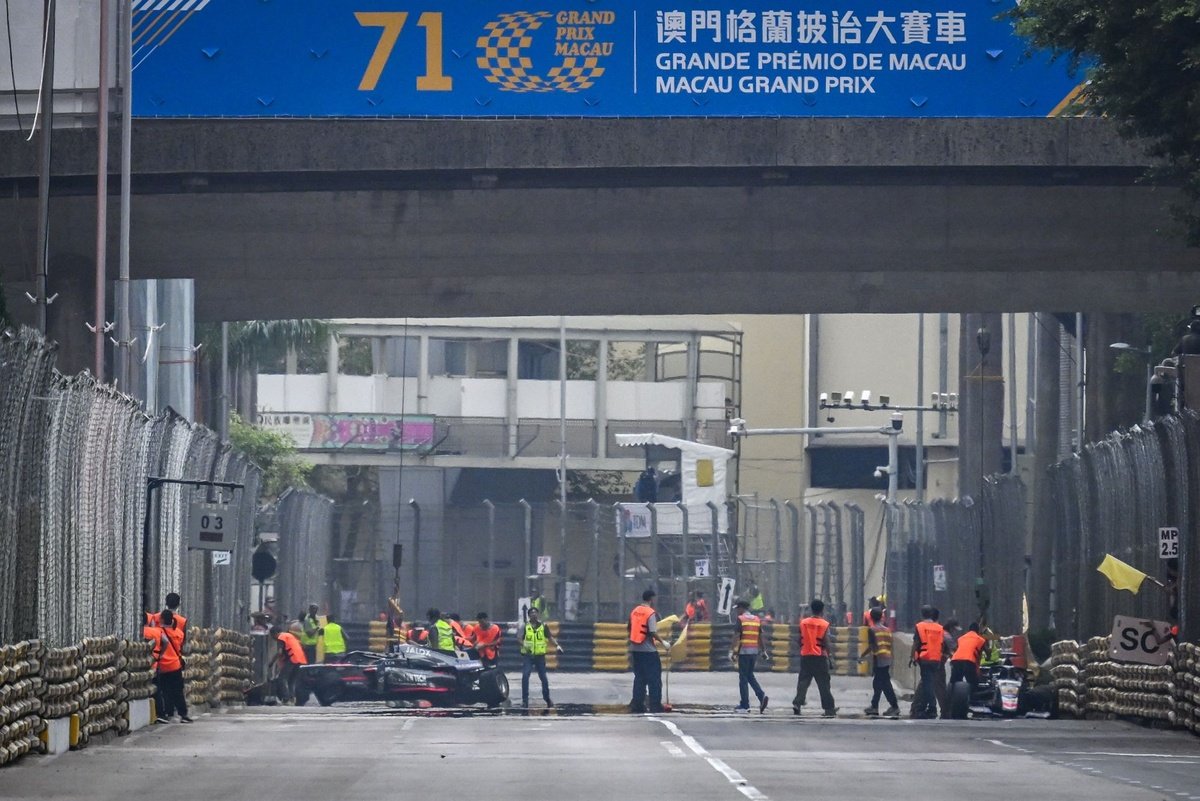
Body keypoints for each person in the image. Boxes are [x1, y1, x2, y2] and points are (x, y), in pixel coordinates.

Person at [628, 589, 671, 713]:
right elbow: (652, 632)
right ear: (651, 599)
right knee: (654, 678)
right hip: (648, 651)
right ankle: (655, 705)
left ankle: (637, 704)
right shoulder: (650, 613)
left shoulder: (635, 611)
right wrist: (663, 642)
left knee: (639, 677)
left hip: (635, 649)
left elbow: (629, 628)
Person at [793, 598, 837, 717]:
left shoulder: (803, 623)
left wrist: (803, 648)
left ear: (811, 609)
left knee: (803, 681)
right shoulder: (824, 624)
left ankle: (797, 703)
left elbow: (799, 639)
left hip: (806, 656)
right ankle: (829, 708)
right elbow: (826, 642)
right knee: (823, 684)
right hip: (819, 657)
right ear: (822, 610)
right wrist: (830, 656)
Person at [731, 599, 769, 713]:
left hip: (744, 652)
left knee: (743, 678)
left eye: (737, 609)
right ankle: (761, 696)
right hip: (754, 652)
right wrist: (763, 651)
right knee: (750, 676)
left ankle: (745, 705)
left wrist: (733, 651)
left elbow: (736, 636)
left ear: (741, 608)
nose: (737, 611)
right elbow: (760, 637)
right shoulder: (757, 619)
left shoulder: (741, 619)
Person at [861, 607, 900, 718]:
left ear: (871, 617)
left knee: (883, 684)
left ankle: (893, 706)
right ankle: (875, 705)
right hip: (887, 658)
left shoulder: (872, 630)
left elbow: (872, 646)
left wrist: (862, 656)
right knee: (879, 683)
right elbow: (890, 645)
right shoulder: (887, 630)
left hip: (878, 658)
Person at [520, 607, 562, 708]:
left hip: (540, 656)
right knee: (525, 676)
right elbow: (519, 638)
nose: (534, 614)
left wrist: (557, 646)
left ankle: (547, 698)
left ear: (538, 614)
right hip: (528, 655)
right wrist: (524, 644)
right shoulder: (525, 626)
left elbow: (550, 637)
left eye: (535, 613)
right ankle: (525, 700)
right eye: (531, 613)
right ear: (529, 615)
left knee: (543, 678)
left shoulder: (543, 626)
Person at [154, 610, 191, 723]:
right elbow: (181, 647)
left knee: (165, 691)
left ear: (162, 619)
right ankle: (183, 714)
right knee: (178, 691)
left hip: (162, 665)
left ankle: (168, 713)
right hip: (175, 665)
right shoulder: (179, 633)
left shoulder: (158, 632)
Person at [910, 605, 944, 719]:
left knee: (927, 684)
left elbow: (916, 643)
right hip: (936, 658)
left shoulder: (920, 626)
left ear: (922, 614)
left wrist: (912, 657)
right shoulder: (939, 628)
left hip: (925, 658)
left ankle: (932, 708)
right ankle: (923, 706)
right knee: (928, 682)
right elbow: (941, 644)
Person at [274, 625, 308, 704]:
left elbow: (280, 652)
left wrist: (272, 662)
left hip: (293, 658)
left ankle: (286, 699)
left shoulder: (281, 636)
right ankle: (292, 699)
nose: (274, 639)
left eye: (273, 636)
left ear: (275, 633)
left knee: (282, 678)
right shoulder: (290, 636)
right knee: (292, 680)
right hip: (300, 659)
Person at [949, 622, 988, 686]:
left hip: (956, 660)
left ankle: (952, 691)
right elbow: (987, 653)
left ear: (969, 630)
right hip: (969, 661)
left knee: (954, 683)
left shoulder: (961, 638)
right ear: (978, 630)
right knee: (973, 683)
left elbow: (958, 649)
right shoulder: (981, 640)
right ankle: (972, 692)